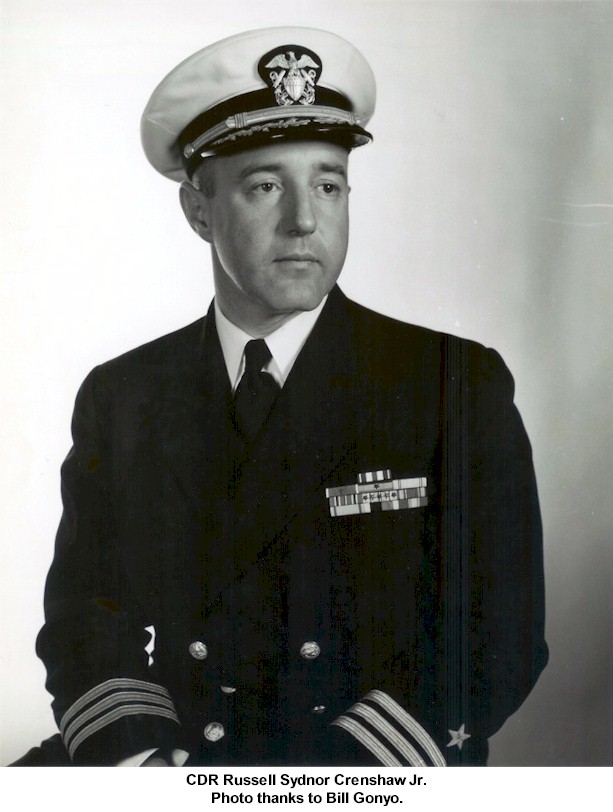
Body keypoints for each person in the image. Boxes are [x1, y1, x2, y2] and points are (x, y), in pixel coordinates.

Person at [13, 26, 547, 767]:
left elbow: (498, 634)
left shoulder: (450, 382)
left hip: (357, 773)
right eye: (265, 186)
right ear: (199, 211)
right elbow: (86, 612)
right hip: (175, 761)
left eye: (328, 185)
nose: (304, 220)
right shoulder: (125, 395)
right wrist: (137, 759)